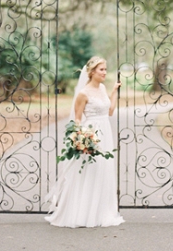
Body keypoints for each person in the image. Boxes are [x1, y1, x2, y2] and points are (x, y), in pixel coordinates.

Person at [45, 56, 125, 228]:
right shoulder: (83, 93)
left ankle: (100, 212)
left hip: (105, 132)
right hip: (91, 134)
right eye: (102, 69)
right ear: (92, 71)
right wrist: (81, 139)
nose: (105, 72)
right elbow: (78, 119)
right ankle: (80, 213)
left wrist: (114, 92)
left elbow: (110, 111)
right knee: (88, 171)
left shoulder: (103, 88)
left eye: (105, 69)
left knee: (103, 169)